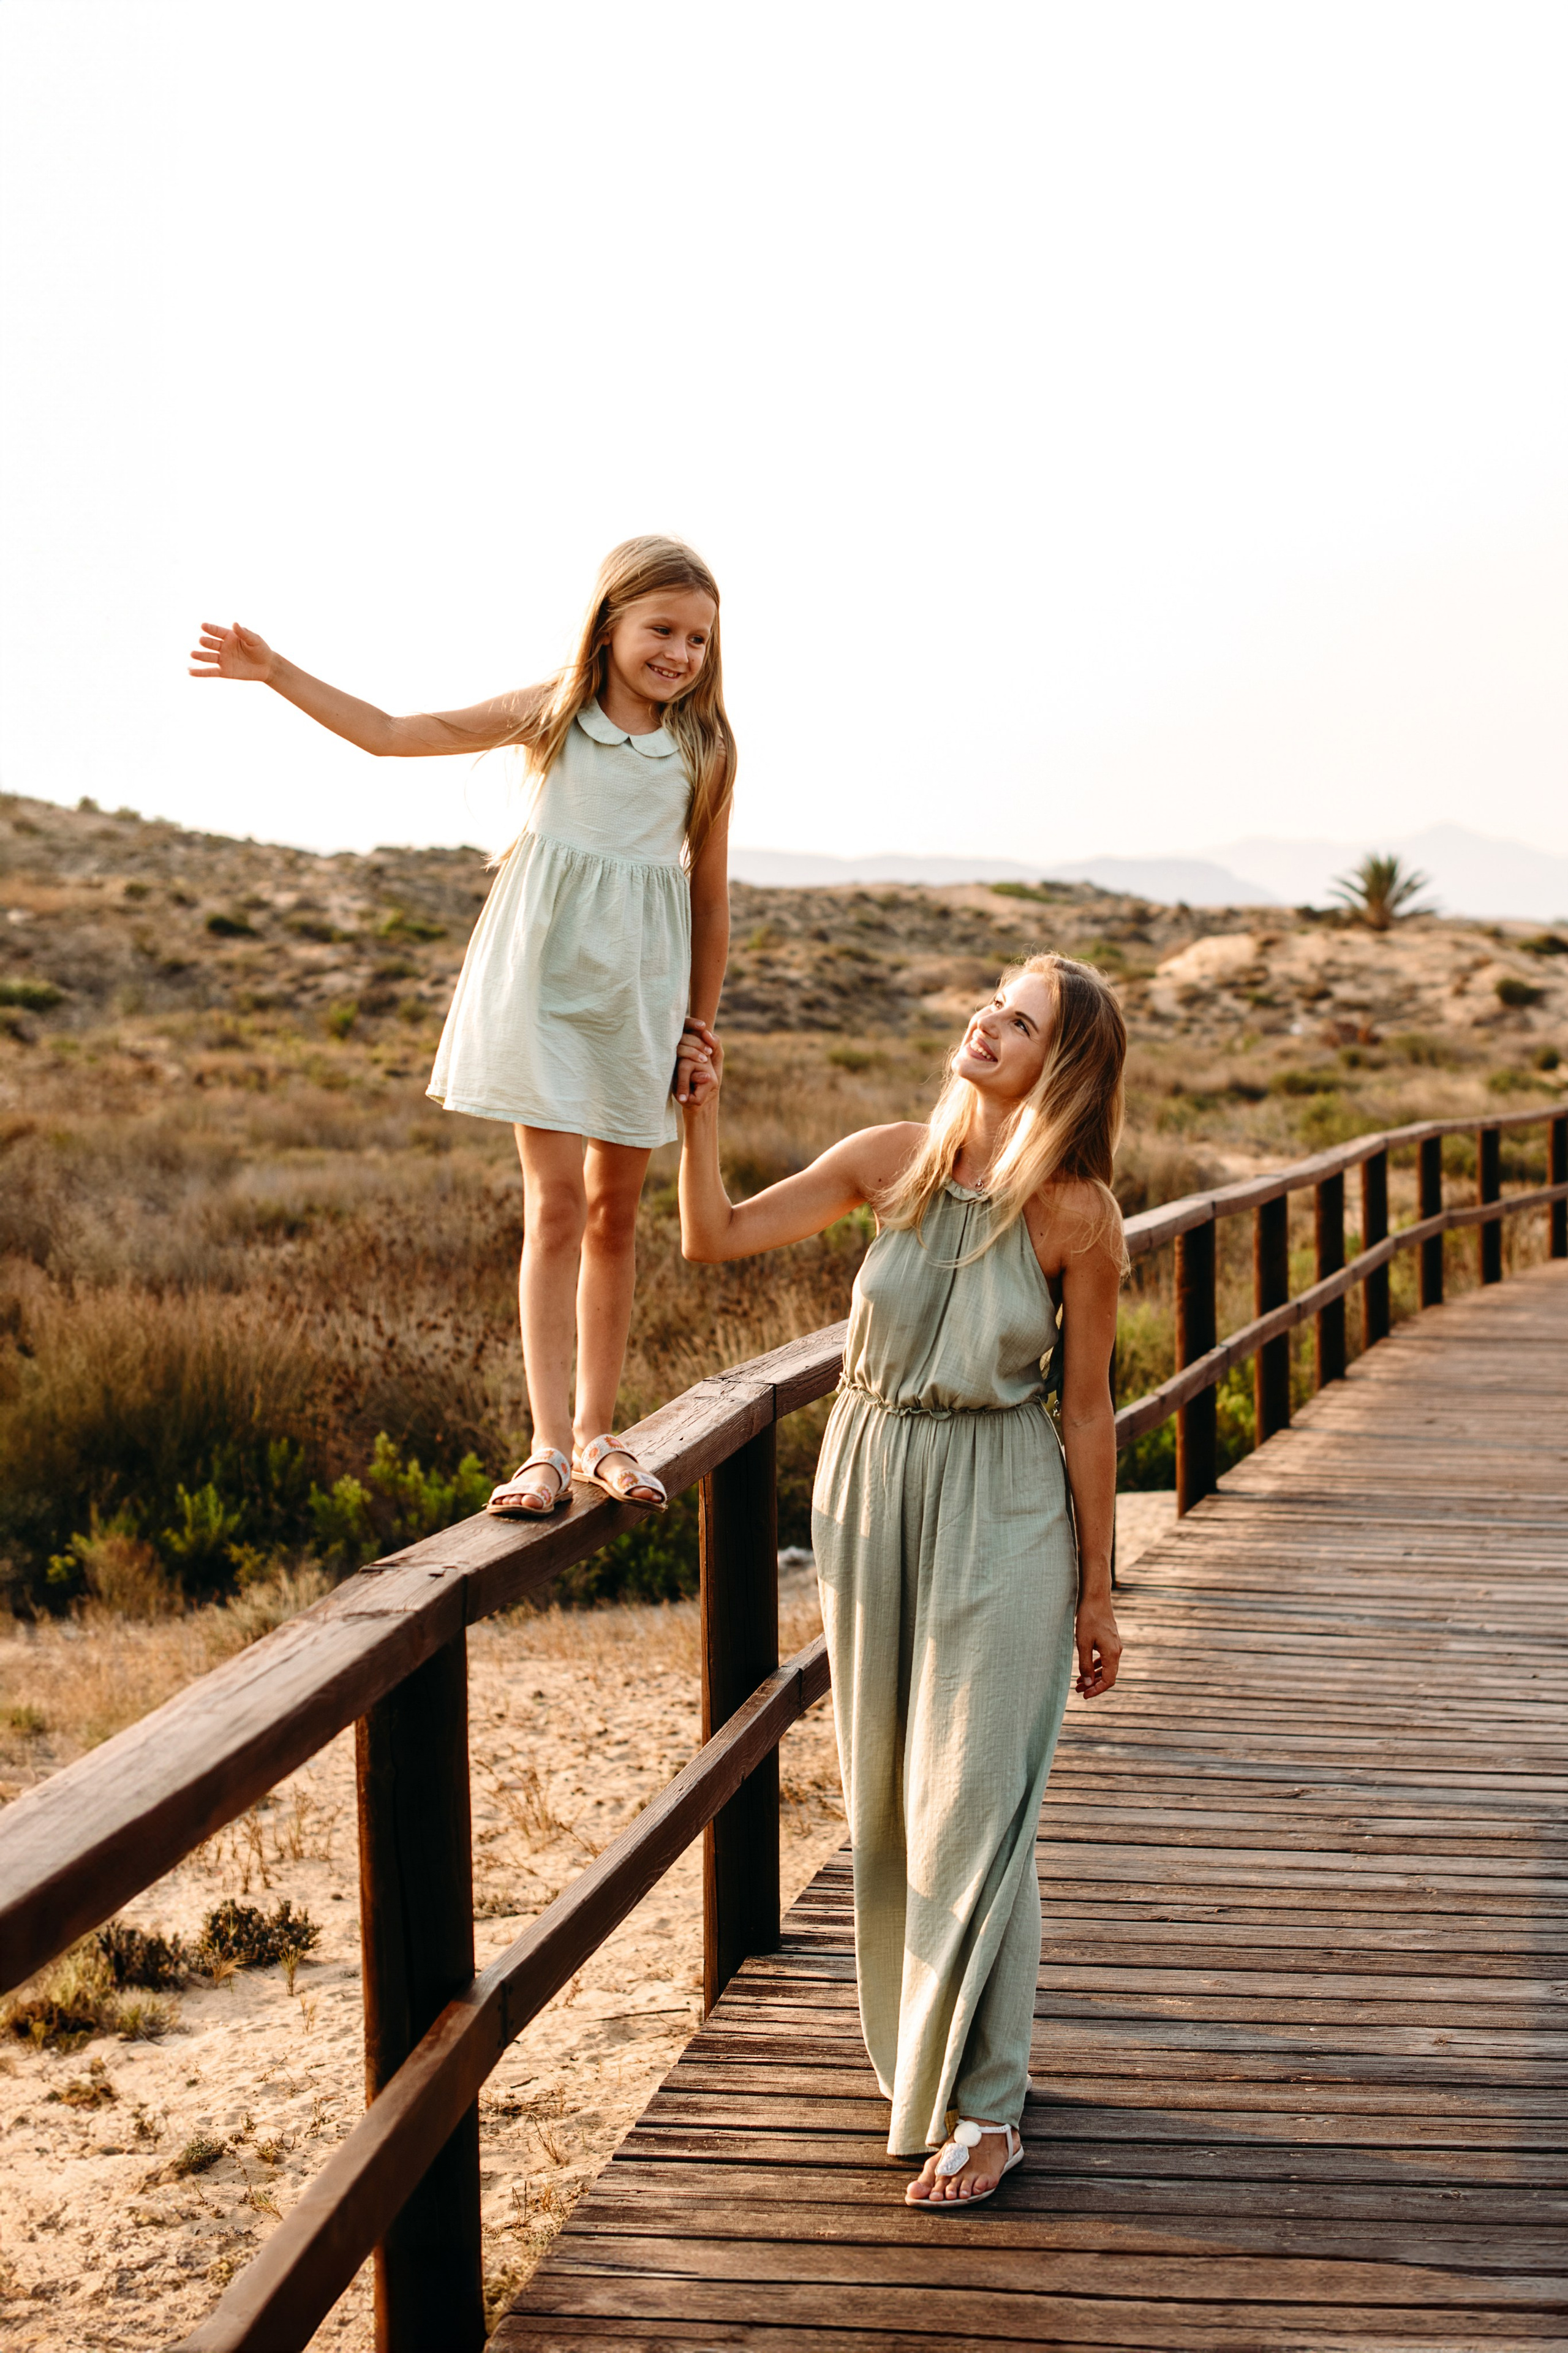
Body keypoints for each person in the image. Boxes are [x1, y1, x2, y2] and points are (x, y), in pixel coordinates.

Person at [677, 954, 1125, 2207]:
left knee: (978, 1793)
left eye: (1020, 1018)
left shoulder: (1076, 1216)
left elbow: (1085, 1412)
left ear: (1062, 1064)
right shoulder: (888, 1160)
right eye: (992, 998)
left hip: (1004, 1498)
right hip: (870, 1486)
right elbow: (709, 1236)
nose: (987, 1020)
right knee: (886, 1793)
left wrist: (1099, 1589)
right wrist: (697, 1106)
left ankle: (990, 2108)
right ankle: (927, 2050)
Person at [190, 535, 731, 1514]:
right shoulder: (554, 712)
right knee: (557, 1207)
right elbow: (395, 732)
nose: (680, 654)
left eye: (698, 638)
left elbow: (712, 901)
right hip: (541, 988)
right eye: (661, 630)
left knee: (617, 1216)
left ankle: (601, 1433)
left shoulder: (706, 748)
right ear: (609, 624)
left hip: (638, 1001)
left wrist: (699, 1026)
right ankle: (544, 1449)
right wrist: (274, 672)